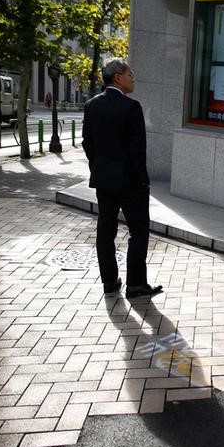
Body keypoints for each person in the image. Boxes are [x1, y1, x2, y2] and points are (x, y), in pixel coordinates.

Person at [82, 58, 162, 299]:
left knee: (105, 231)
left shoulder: (91, 105)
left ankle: (109, 282)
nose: (133, 78)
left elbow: (88, 143)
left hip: (103, 180)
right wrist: (143, 180)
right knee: (138, 231)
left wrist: (98, 167)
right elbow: (138, 150)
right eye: (130, 74)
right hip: (130, 182)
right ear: (118, 77)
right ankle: (136, 284)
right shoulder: (131, 107)